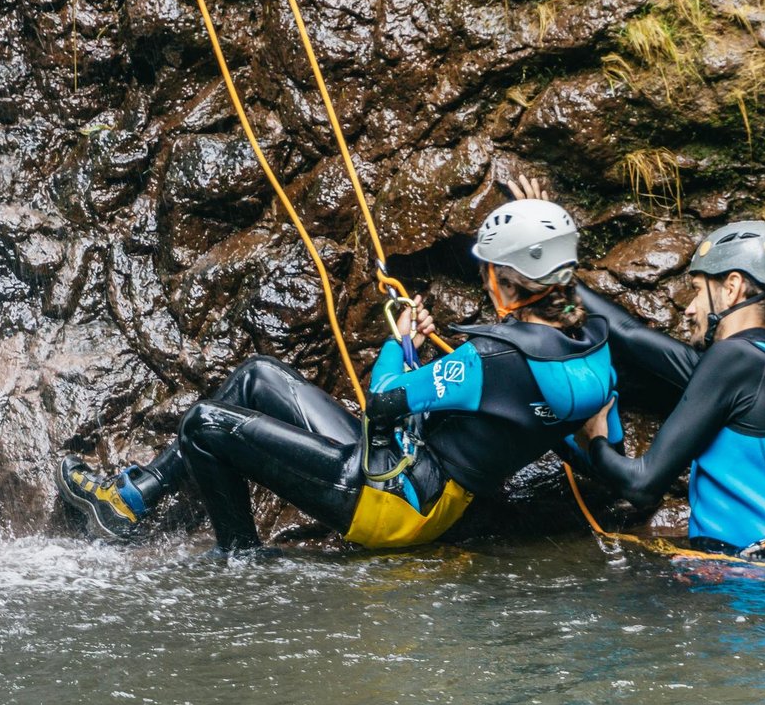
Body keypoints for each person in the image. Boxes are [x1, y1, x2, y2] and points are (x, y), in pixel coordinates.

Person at [54, 197, 622, 551]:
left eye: (490, 273)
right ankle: (133, 498)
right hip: (422, 487)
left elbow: (382, 400)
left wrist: (401, 343)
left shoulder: (488, 360)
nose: (485, 282)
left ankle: (242, 561)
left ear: (507, 280)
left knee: (206, 423)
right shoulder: (595, 353)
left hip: (390, 501)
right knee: (256, 377)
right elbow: (604, 445)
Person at [573, 219, 765, 560]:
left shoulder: (734, 359)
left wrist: (595, 439)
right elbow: (628, 333)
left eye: (697, 290)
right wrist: (555, 272)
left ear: (731, 287)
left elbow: (642, 485)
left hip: (754, 576)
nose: (689, 308)